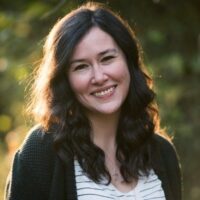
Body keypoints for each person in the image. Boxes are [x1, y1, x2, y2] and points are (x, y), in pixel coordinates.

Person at [5, 2, 182, 200]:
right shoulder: (41, 151)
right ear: (65, 80)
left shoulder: (162, 152)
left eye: (107, 59)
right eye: (81, 67)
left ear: (128, 61)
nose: (98, 77)